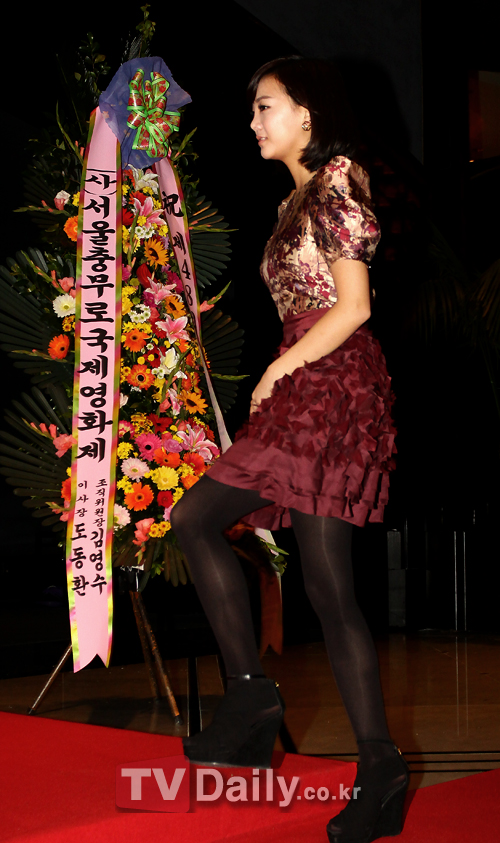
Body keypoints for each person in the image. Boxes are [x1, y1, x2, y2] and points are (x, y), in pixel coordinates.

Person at [171, 56, 409, 843]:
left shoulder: (337, 183)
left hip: (329, 382)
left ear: (308, 112)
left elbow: (354, 305)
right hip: (310, 381)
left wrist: (280, 368)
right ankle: (277, 710)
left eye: (265, 106)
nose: (253, 122)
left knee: (236, 538)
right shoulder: (295, 199)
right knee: (313, 578)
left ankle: (285, 716)